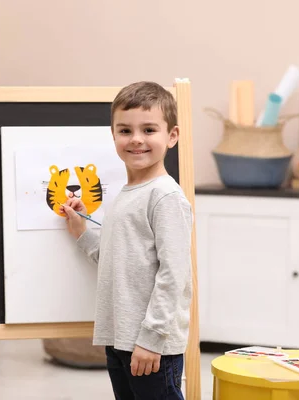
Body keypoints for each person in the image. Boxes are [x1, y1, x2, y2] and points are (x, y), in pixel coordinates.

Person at [60, 81, 193, 399]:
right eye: (125, 130)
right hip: (120, 338)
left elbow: (174, 274)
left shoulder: (165, 196)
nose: (136, 140)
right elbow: (115, 259)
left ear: (171, 136)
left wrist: (152, 338)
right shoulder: (125, 195)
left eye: (149, 130)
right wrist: (81, 231)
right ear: (113, 135)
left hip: (151, 345)